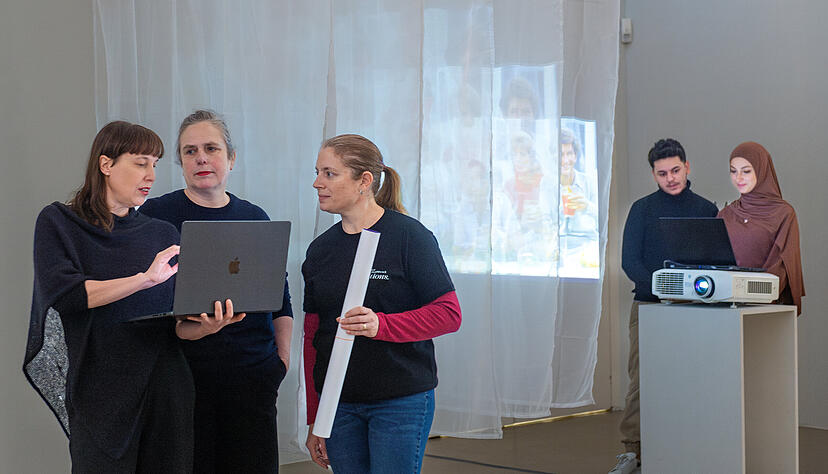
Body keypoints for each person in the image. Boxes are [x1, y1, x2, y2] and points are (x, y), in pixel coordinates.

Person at [24, 121, 243, 472]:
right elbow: (67, 295)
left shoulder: (161, 233)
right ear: (106, 164)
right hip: (101, 392)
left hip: (167, 388)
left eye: (155, 164)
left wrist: (206, 327)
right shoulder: (59, 221)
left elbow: (174, 326)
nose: (151, 175)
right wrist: (143, 279)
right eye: (141, 163)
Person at [139, 109, 293, 473]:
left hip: (254, 377)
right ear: (180, 162)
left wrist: (281, 362)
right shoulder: (156, 216)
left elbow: (281, 299)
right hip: (185, 379)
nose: (202, 158)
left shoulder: (254, 217)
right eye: (190, 151)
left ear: (231, 158)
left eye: (211, 148)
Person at [302, 134, 462, 473]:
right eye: (317, 172)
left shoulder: (410, 238)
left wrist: (382, 325)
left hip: (400, 402)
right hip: (340, 405)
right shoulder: (320, 251)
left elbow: (449, 314)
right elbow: (313, 338)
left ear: (364, 181)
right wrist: (317, 415)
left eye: (329, 173)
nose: (317, 183)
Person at [614, 138, 718, 474]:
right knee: (641, 380)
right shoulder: (642, 209)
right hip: (648, 306)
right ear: (653, 175)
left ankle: (688, 443)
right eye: (662, 173)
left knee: (692, 376)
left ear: (687, 167)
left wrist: (685, 294)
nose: (670, 178)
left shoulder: (705, 209)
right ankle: (632, 451)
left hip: (695, 311)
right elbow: (630, 260)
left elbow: (712, 261)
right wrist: (662, 289)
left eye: (675, 170)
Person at [718, 141, 804, 313]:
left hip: (764, 307)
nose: (738, 178)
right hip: (725, 304)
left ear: (762, 170)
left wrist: (752, 296)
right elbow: (714, 259)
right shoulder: (726, 214)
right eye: (733, 171)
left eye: (746, 171)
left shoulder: (784, 213)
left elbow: (782, 264)